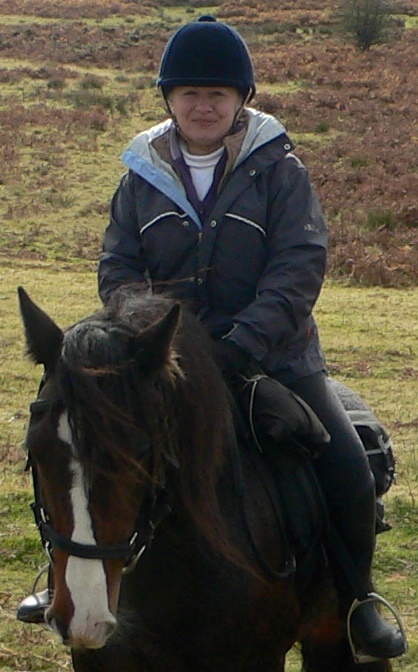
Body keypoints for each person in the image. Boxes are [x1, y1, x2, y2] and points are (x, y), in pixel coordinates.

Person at [18, 16, 407, 662]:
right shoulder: (140, 176)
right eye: (190, 93)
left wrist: (237, 345)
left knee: (346, 468)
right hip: (157, 362)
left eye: (218, 94)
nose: (203, 104)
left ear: (241, 100)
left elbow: (299, 266)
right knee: (85, 453)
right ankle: (69, 583)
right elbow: (118, 268)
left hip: (274, 359)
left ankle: (356, 603)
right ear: (169, 99)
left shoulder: (281, 172)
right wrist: (142, 341)